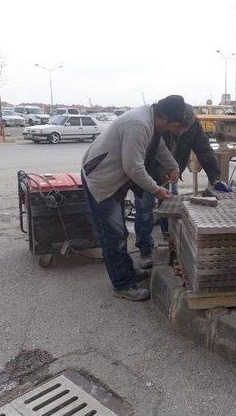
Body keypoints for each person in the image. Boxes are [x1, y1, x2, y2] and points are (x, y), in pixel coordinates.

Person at [81, 95, 191, 301]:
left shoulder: (152, 121)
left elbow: (159, 149)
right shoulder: (139, 125)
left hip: (113, 180)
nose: (171, 129)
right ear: (163, 116)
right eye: (172, 125)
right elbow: (133, 167)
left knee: (120, 232)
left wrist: (174, 166)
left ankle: (127, 272)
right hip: (102, 180)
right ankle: (122, 284)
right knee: (113, 236)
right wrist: (157, 190)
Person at [134, 106, 223, 269]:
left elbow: (204, 151)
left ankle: (170, 243)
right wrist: (154, 184)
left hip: (172, 173)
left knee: (171, 210)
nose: (181, 132)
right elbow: (145, 156)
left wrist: (216, 178)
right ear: (172, 121)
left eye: (185, 128)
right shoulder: (161, 123)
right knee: (145, 209)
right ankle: (145, 250)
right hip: (148, 173)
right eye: (178, 127)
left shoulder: (193, 126)